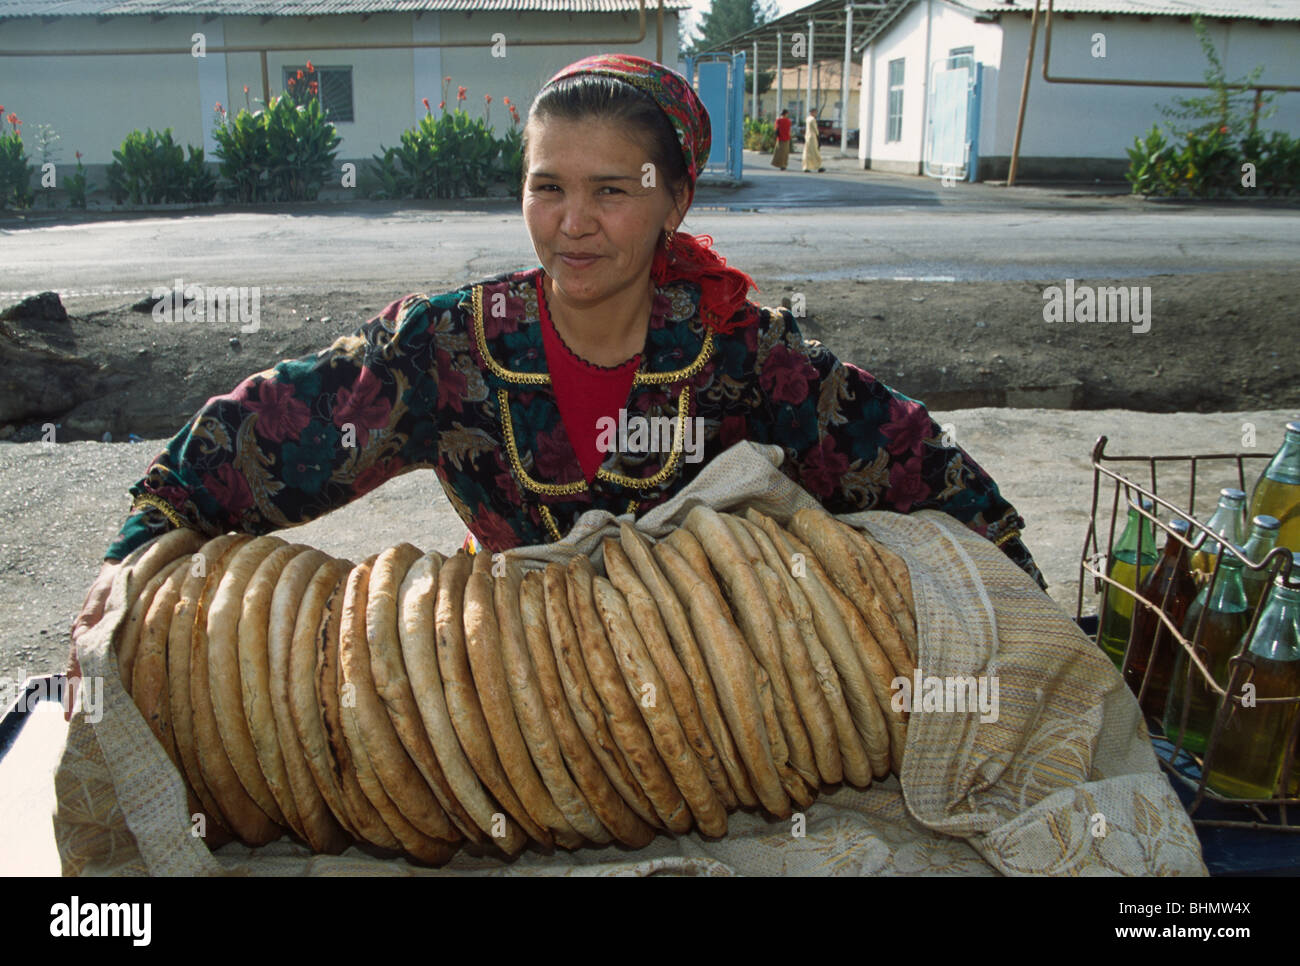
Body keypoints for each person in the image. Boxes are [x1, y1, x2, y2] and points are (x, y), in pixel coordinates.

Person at [67, 53, 1046, 700]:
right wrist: (133, 567)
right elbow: (245, 451)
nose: (572, 223)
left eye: (611, 192)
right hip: (507, 689)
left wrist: (1025, 622)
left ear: (674, 199)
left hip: (708, 696)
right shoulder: (445, 351)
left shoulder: (745, 356)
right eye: (549, 187)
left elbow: (929, 479)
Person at [802, 107, 825, 173]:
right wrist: (818, 136)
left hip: (807, 136)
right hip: (812, 137)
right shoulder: (812, 119)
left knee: (807, 152)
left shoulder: (807, 119)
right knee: (815, 152)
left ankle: (806, 166)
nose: (816, 114)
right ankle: (818, 166)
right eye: (815, 112)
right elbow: (815, 129)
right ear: (812, 112)